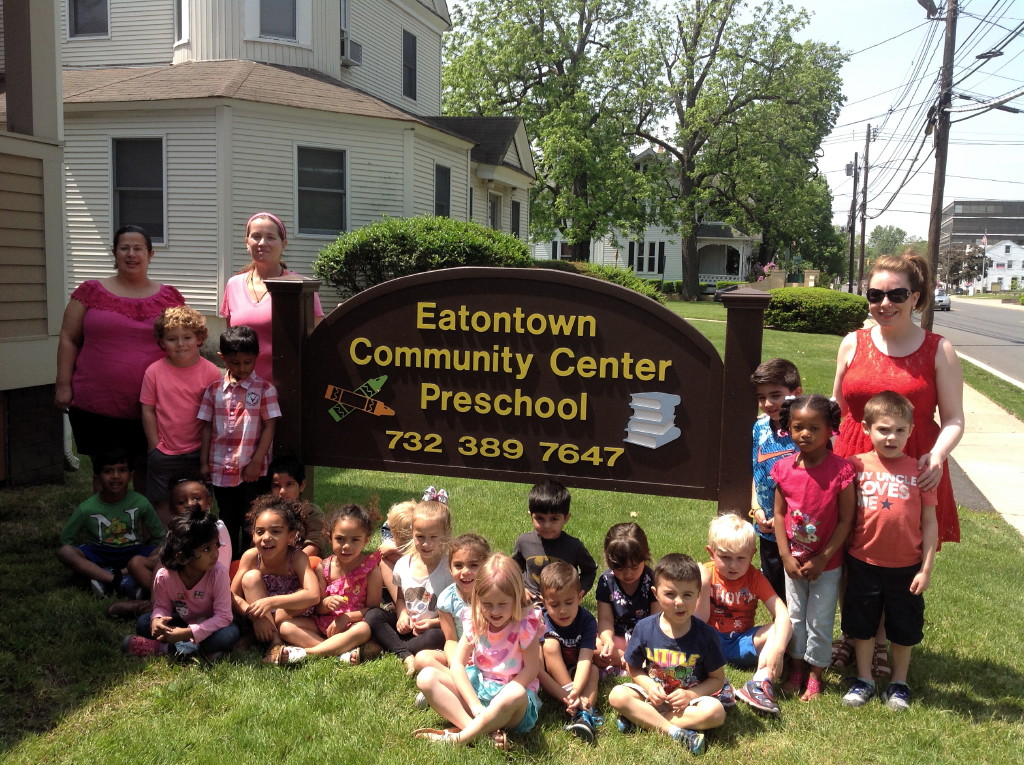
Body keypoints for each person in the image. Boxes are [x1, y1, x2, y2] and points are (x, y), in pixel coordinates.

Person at [831, 251, 964, 676]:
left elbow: (955, 419)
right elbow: (836, 408)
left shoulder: (937, 350)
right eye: (875, 294)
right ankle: (854, 636)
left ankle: (883, 643)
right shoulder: (853, 342)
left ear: (917, 297)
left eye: (896, 294)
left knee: (895, 552)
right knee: (849, 549)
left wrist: (938, 456)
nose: (884, 303)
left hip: (912, 464)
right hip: (851, 462)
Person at [55, 225, 185, 490]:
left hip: (153, 404)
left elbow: (185, 343)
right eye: (124, 248)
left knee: (148, 469)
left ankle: (145, 528)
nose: (131, 254)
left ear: (150, 254)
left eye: (138, 248)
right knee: (107, 471)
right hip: (97, 403)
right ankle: (106, 526)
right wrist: (63, 384)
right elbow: (68, 338)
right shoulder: (90, 292)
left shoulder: (169, 298)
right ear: (114, 254)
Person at [841, 391, 938, 712]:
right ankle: (864, 678)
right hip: (862, 562)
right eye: (883, 429)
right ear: (867, 429)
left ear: (911, 431)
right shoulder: (855, 466)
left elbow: (929, 523)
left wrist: (926, 568)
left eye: (899, 430)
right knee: (862, 624)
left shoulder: (921, 471)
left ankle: (899, 681)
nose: (891, 437)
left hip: (906, 567)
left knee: (904, 628)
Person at [772, 394, 855, 702]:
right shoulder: (783, 469)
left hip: (827, 565)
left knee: (819, 620)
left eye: (814, 428)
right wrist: (785, 555)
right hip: (792, 562)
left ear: (830, 428)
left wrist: (823, 558)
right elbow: (779, 514)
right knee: (794, 617)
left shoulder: (841, 471)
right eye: (798, 427)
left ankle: (815, 675)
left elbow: (846, 520)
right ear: (788, 429)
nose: (805, 434)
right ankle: (795, 669)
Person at [413, 553, 543, 749]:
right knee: (426, 677)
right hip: (480, 694)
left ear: (516, 599)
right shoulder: (475, 620)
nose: (495, 611)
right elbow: (457, 664)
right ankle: (480, 733)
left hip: (510, 705)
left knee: (515, 693)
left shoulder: (526, 623)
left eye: (502, 604)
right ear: (477, 598)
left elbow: (532, 669)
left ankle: (459, 739)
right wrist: (475, 706)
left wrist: (501, 698)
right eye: (487, 604)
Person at [607, 554, 726, 757]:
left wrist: (691, 695)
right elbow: (633, 667)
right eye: (670, 594)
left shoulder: (706, 635)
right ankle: (675, 732)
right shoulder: (644, 627)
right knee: (617, 695)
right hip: (653, 695)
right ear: (655, 593)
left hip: (688, 702)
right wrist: (648, 686)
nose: (679, 602)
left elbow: (717, 679)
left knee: (716, 712)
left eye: (688, 595)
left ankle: (642, 719)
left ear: (698, 595)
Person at [198, 326, 281, 558]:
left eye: (248, 362)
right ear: (222, 358)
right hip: (220, 468)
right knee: (227, 518)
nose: (242, 368)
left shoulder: (265, 389)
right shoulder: (213, 390)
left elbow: (270, 426)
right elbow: (206, 427)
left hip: (251, 470)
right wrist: (204, 462)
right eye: (235, 363)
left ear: (257, 357)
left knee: (251, 518)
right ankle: (228, 562)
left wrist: (256, 462)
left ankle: (250, 563)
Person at [697, 514, 791, 717]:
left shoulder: (755, 578)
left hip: (742, 641)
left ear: (752, 554)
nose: (733, 565)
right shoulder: (705, 573)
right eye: (725, 557)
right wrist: (703, 584)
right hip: (709, 642)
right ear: (711, 553)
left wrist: (778, 649)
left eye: (741, 558)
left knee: (780, 628)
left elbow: (782, 614)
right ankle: (718, 686)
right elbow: (695, 620)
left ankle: (759, 683)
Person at [220, 212, 324, 384]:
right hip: (243, 387)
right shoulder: (233, 285)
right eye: (256, 236)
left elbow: (317, 339)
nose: (262, 243)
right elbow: (230, 341)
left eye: (270, 237)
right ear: (247, 242)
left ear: (283, 244)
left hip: (288, 389)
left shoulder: (300, 287)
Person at [273, 504, 383, 665]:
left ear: (366, 540)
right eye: (340, 539)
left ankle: (307, 652)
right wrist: (326, 603)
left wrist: (346, 618)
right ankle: (339, 652)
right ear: (329, 537)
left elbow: (373, 610)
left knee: (364, 630)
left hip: (353, 624)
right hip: (325, 623)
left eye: (355, 540)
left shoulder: (371, 569)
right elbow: (318, 608)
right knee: (286, 627)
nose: (346, 546)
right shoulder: (323, 567)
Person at [140, 307, 221, 524]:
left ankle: (198, 546)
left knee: (199, 501)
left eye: (187, 337)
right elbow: (147, 409)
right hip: (164, 451)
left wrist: (209, 451)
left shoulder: (211, 372)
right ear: (162, 342)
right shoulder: (154, 371)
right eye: (172, 339)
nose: (181, 344)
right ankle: (164, 548)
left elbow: (215, 414)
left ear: (200, 339)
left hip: (199, 452)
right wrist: (154, 445)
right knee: (161, 502)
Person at [123, 508, 238, 659]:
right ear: (183, 558)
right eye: (206, 549)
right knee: (144, 622)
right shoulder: (164, 576)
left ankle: (166, 649)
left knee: (229, 634)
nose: (215, 553)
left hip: (211, 627)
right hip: (182, 622)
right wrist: (157, 620)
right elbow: (162, 606)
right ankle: (196, 651)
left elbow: (223, 617)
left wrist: (187, 633)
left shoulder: (218, 573)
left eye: (216, 545)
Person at [108, 477, 231, 619]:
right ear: (172, 509)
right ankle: (159, 603)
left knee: (162, 563)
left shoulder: (216, 527)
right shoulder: (178, 528)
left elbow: (219, 564)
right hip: (180, 584)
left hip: (207, 583)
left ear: (209, 502)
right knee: (137, 563)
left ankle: (150, 605)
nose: (190, 504)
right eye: (181, 502)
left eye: (196, 498)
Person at [56, 446, 165, 597]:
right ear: (97, 477)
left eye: (122, 470)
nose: (115, 476)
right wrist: (84, 558)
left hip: (133, 552)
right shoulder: (87, 508)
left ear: (131, 475)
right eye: (108, 471)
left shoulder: (141, 502)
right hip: (100, 554)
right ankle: (117, 580)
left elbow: (159, 536)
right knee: (65, 552)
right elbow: (66, 540)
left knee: (166, 551)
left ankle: (109, 576)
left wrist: (152, 553)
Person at [365, 497, 453, 674]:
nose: (426, 544)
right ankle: (405, 653)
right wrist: (402, 615)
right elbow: (400, 598)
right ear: (412, 532)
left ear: (446, 533)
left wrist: (432, 623)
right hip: (407, 627)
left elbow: (455, 614)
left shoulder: (449, 569)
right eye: (420, 537)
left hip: (432, 629)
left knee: (440, 636)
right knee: (374, 615)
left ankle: (389, 647)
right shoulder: (403, 564)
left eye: (433, 537)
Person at [230, 496, 320, 662]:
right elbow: (232, 595)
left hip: (288, 613)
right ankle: (272, 640)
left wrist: (271, 603)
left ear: (290, 536)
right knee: (250, 577)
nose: (266, 537)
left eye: (276, 531)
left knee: (281, 613)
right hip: (259, 613)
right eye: (260, 531)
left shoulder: (297, 558)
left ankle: (273, 640)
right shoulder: (251, 557)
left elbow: (313, 595)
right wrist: (255, 616)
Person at [750, 358, 802, 602]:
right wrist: (756, 508)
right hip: (767, 530)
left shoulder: (807, 432)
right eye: (761, 397)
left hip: (798, 532)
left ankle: (796, 638)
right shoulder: (759, 428)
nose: (768, 403)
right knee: (774, 591)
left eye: (776, 395)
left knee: (798, 594)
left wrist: (787, 517)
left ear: (796, 394)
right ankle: (780, 635)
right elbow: (756, 471)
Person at [538, 562, 601, 744]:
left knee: (594, 671)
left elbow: (585, 660)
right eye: (555, 604)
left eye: (569, 602)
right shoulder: (540, 622)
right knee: (550, 645)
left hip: (576, 670)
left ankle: (584, 715)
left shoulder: (587, 621)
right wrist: (568, 694)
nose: (563, 610)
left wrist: (577, 689)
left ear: (580, 597)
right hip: (550, 680)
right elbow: (538, 670)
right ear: (544, 602)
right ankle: (575, 703)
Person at [413, 533, 491, 674]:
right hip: (463, 654)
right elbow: (450, 640)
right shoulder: (447, 599)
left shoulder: (495, 593)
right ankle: (458, 680)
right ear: (450, 568)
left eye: (473, 565)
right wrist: (456, 661)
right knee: (421, 658)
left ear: (487, 566)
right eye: (458, 566)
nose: (465, 572)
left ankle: (451, 684)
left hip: (495, 652)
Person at [512, 480, 597, 600]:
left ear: (566, 518)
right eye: (540, 518)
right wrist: (521, 588)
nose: (546, 525)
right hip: (529, 603)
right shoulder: (524, 541)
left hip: (560, 605)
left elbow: (589, 570)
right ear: (531, 515)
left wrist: (579, 592)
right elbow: (514, 567)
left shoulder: (574, 546)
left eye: (554, 519)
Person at [595, 522, 660, 674]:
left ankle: (631, 662)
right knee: (593, 645)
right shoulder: (606, 581)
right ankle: (631, 663)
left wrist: (641, 647)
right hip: (618, 638)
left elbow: (655, 621)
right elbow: (605, 620)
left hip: (646, 639)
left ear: (645, 557)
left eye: (635, 567)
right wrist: (608, 641)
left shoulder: (652, 579)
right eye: (620, 568)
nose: (628, 574)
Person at [267, 454, 328, 562]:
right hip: (273, 562)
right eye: (276, 486)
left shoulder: (311, 512)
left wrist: (290, 561)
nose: (282, 491)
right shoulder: (267, 514)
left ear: (302, 485)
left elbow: (315, 544)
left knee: (315, 562)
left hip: (301, 561)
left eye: (289, 484)